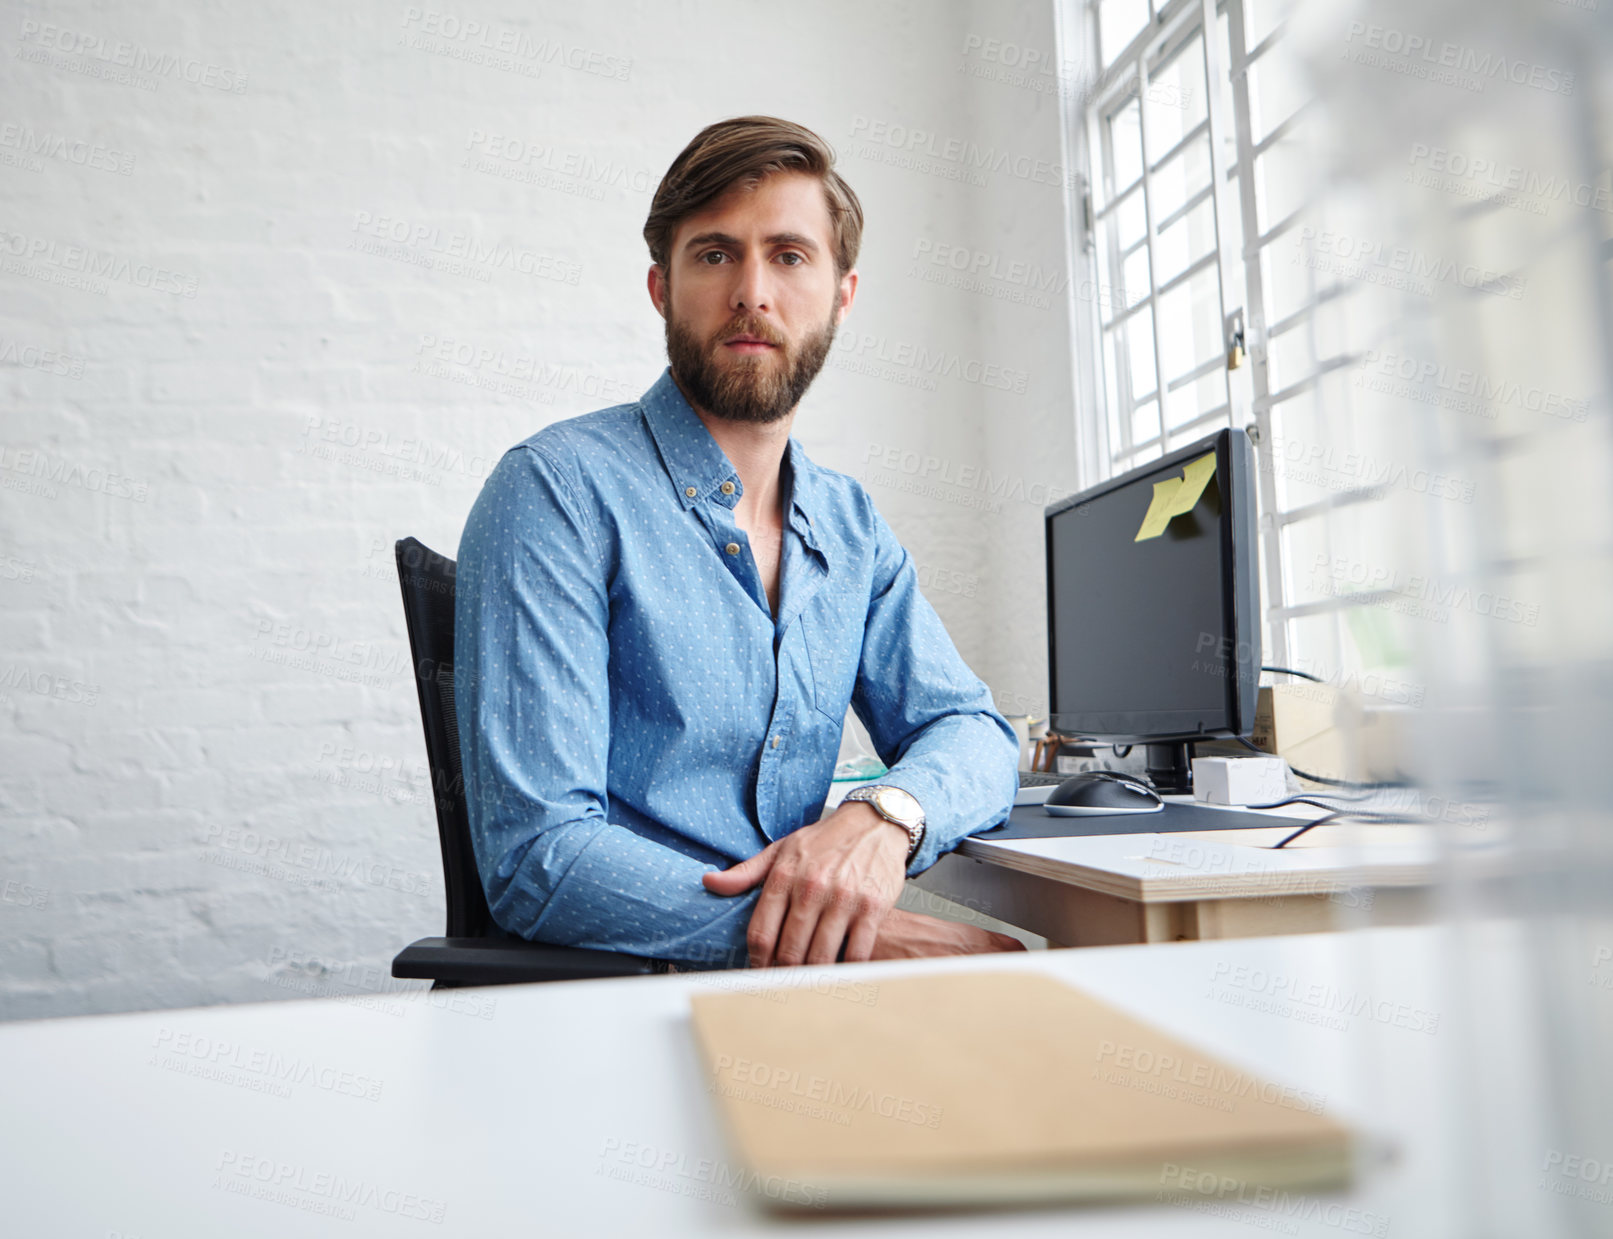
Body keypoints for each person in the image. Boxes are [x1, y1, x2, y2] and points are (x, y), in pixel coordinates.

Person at [455, 115, 1023, 970]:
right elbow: (540, 858)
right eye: (715, 254)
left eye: (789, 256)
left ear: (842, 294)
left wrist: (884, 814)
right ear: (661, 287)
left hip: (789, 1005)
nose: (752, 291)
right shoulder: (556, 490)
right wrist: (858, 937)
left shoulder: (848, 525)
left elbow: (971, 729)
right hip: (613, 999)